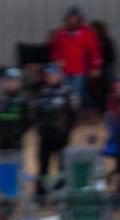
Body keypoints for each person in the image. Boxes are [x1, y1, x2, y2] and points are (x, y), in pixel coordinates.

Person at [32, 65, 79, 197]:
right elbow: (35, 112)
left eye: (53, 75)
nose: (50, 78)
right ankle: (41, 195)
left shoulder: (68, 91)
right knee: (42, 167)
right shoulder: (41, 91)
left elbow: (74, 114)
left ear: (59, 76)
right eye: (48, 76)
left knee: (63, 166)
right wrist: (39, 129)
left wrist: (67, 131)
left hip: (61, 136)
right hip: (45, 137)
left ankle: (62, 195)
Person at [49, 8, 101, 104]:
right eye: (70, 19)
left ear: (80, 20)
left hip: (80, 70)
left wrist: (96, 67)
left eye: (75, 19)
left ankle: (81, 112)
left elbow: (94, 51)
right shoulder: (61, 32)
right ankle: (75, 113)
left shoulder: (86, 32)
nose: (72, 21)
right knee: (66, 93)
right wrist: (56, 60)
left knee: (77, 94)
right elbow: (55, 50)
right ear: (66, 19)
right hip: (64, 70)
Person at [0, 68, 30, 155]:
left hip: (16, 142)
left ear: (19, 83)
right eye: (9, 80)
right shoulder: (0, 100)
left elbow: (28, 121)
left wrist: (19, 133)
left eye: (14, 80)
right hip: (1, 142)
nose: (11, 83)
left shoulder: (23, 100)